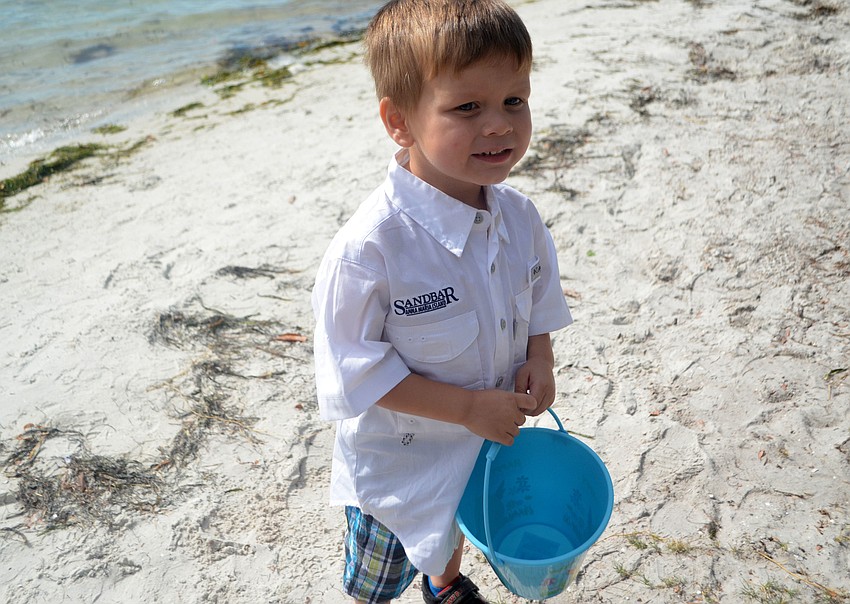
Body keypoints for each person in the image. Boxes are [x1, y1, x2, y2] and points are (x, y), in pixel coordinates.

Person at [311, 1, 572, 602]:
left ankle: (446, 583)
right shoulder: (370, 251)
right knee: (377, 578)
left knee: (457, 525)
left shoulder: (520, 217)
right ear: (399, 122)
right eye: (467, 108)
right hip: (398, 466)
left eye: (514, 100)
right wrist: (464, 409)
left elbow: (537, 294)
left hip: (481, 440)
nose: (500, 125)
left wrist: (541, 355)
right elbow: (356, 378)